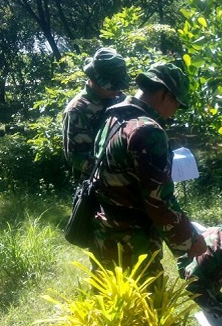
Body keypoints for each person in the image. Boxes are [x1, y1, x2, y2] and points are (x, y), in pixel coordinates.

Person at [89, 61, 207, 273]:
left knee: (107, 302)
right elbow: (158, 200)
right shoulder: (148, 130)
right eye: (177, 103)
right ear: (164, 94)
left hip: (103, 233)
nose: (175, 111)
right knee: (146, 303)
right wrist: (190, 240)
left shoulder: (113, 117)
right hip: (133, 245)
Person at [62, 47, 130, 181]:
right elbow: (76, 157)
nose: (117, 91)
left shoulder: (119, 99)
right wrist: (115, 171)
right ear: (94, 79)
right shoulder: (77, 110)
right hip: (97, 186)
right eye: (112, 87)